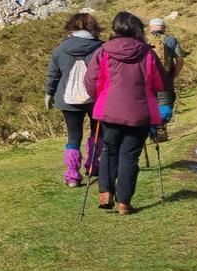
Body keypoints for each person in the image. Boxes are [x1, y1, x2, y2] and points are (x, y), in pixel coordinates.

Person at [85, 12, 165, 215]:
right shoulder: (148, 54)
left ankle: (105, 194)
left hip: (109, 111)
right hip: (140, 114)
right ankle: (124, 203)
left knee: (109, 150)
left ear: (116, 28)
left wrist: (99, 96)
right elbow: (160, 83)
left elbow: (90, 80)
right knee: (129, 156)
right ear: (137, 29)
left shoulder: (103, 51)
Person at [45, 13, 103, 187]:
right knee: (98, 132)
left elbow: (53, 75)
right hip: (96, 98)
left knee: (73, 137)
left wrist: (49, 93)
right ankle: (93, 164)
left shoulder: (61, 49)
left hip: (68, 100)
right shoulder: (102, 48)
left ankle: (72, 176)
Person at [147, 17, 185, 125]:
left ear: (150, 28)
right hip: (165, 80)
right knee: (165, 105)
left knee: (149, 105)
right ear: (164, 28)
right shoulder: (171, 40)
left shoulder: (143, 40)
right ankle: (160, 126)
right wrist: (173, 75)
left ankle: (150, 129)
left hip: (147, 80)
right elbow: (180, 60)